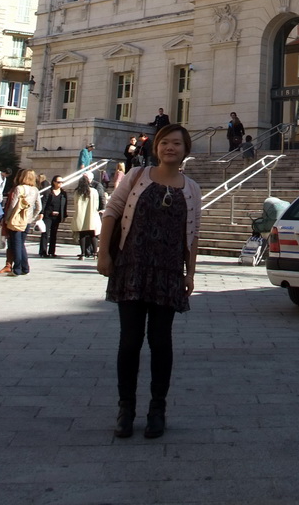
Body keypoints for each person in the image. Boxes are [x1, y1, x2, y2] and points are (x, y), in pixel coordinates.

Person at [97, 123, 201, 439]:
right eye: (165, 142)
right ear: (156, 147)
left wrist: (190, 272)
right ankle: (125, 409)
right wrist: (104, 255)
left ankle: (158, 409)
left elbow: (193, 233)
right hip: (131, 266)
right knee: (129, 341)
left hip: (167, 273)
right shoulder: (136, 176)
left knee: (160, 342)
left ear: (186, 150)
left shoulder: (191, 187)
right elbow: (112, 212)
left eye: (177, 144)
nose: (170, 148)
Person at [4, 169, 42, 276]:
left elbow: (12, 205)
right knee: (21, 243)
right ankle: (25, 267)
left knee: (16, 243)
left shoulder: (19, 188)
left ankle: (17, 268)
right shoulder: (35, 190)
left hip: (17, 219)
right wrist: (33, 217)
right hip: (27, 220)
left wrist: (7, 218)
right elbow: (39, 207)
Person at [72, 174, 101, 259]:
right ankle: (95, 254)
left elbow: (75, 204)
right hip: (92, 215)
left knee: (82, 234)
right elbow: (97, 203)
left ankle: (83, 253)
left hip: (81, 215)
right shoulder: (94, 191)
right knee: (93, 235)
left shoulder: (77, 192)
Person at [39, 175, 67, 257]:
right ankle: (43, 251)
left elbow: (65, 205)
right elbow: (44, 203)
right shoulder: (49, 191)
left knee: (54, 234)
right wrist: (41, 213)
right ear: (54, 182)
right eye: (58, 182)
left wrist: (64, 215)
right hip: (48, 215)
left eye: (62, 182)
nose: (60, 184)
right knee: (45, 233)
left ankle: (52, 251)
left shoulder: (63, 193)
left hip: (57, 216)